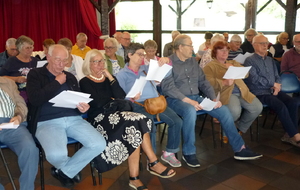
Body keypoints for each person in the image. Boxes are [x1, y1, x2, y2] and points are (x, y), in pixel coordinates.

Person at [161, 34, 263, 167]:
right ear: (180, 47)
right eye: (190, 45)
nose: (192, 48)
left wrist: (213, 98)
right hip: (176, 99)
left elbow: (203, 82)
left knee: (223, 111)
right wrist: (188, 101)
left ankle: (240, 149)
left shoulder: (193, 61)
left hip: (196, 98)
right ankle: (189, 152)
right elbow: (168, 87)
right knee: (190, 111)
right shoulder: (168, 62)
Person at [80, 49, 175, 190]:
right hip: (100, 118)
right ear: (89, 64)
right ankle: (152, 163)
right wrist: (112, 99)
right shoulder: (84, 81)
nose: (101, 64)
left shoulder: (109, 78)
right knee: (135, 124)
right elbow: (98, 103)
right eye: (96, 62)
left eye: (102, 61)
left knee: (139, 123)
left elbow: (120, 96)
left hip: (117, 115)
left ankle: (136, 176)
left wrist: (110, 77)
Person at [26, 44, 106, 188]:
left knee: (99, 144)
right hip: (47, 121)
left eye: (65, 61)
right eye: (58, 60)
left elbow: (77, 99)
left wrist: (82, 107)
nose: (62, 64)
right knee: (56, 155)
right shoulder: (35, 74)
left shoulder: (70, 77)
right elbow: (35, 99)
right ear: (48, 57)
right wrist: (57, 82)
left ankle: (64, 171)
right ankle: (69, 169)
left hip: (74, 119)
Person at [116, 43, 183, 168]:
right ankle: (151, 160)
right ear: (130, 55)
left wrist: (166, 61)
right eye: (140, 54)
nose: (143, 57)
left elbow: (167, 74)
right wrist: (130, 98)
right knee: (149, 124)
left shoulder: (146, 69)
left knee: (176, 121)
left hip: (154, 102)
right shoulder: (122, 74)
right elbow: (118, 97)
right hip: (137, 104)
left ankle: (169, 152)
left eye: (143, 54)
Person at [244, 34, 300, 147]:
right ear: (254, 45)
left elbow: (277, 75)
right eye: (262, 43)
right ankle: (294, 135)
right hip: (259, 92)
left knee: (294, 102)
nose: (265, 46)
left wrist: (277, 85)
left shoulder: (270, 60)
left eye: (266, 43)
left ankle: (288, 134)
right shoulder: (249, 60)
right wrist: (272, 84)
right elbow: (254, 79)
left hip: (273, 90)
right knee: (280, 105)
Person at [203, 41, 262, 141]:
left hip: (243, 91)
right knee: (235, 111)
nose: (225, 53)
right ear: (215, 52)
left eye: (227, 50)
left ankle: (239, 128)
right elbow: (207, 82)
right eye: (221, 50)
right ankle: (226, 131)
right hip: (226, 93)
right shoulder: (210, 66)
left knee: (257, 107)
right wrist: (223, 82)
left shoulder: (233, 62)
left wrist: (233, 67)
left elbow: (246, 74)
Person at [0, 76, 39, 190]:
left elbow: (20, 103)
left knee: (30, 148)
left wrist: (19, 116)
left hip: (11, 123)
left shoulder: (7, 82)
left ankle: (27, 188)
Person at [0, 35, 38, 102]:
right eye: (27, 48)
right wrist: (16, 79)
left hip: (35, 92)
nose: (30, 50)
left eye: (31, 47)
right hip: (18, 93)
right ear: (20, 49)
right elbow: (1, 77)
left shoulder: (36, 61)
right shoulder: (12, 61)